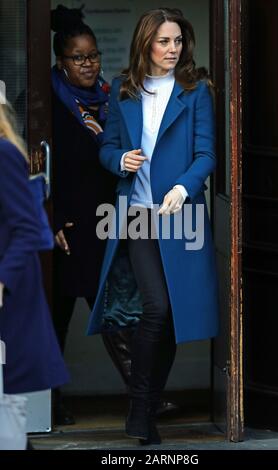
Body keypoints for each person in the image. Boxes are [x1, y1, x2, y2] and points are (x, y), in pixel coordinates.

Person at [87, 8, 219, 445]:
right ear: (146, 43)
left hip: (181, 216)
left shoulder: (196, 90)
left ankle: (142, 411)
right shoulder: (123, 91)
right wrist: (119, 160)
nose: (172, 49)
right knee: (157, 308)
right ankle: (141, 406)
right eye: (164, 41)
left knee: (174, 315)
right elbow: (106, 147)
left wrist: (184, 187)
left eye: (178, 41)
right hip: (138, 215)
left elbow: (206, 154)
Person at [50, 5, 176, 425]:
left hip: (107, 220)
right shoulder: (46, 102)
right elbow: (35, 165)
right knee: (57, 320)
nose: (88, 64)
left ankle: (143, 396)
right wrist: (49, 217)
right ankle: (45, 404)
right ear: (60, 62)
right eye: (78, 57)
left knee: (117, 311)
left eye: (93, 55)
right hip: (65, 230)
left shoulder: (110, 97)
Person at [0, 101, 69, 449]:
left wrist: (2, 280)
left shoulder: (3, 154)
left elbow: (27, 227)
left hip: (7, 295)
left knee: (6, 405)